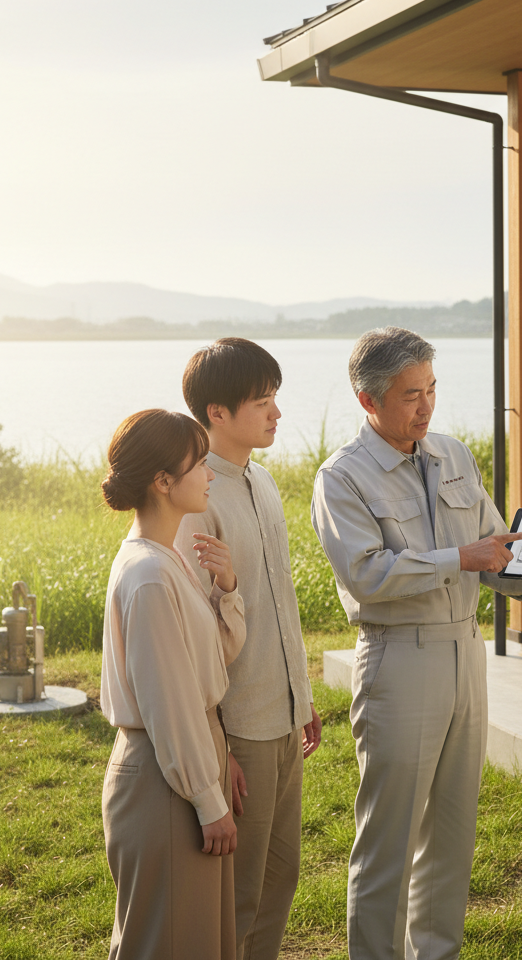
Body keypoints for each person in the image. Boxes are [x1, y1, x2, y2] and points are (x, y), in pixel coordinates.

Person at [310, 327, 522, 960]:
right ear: (367, 400)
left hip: (466, 654)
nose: (425, 406)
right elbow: (367, 575)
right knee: (389, 842)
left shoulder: (453, 454)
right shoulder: (341, 478)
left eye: (431, 388)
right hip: (400, 659)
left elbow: (491, 550)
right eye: (409, 395)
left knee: (452, 834)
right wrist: (460, 556)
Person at [175, 339, 321, 960]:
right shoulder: (194, 502)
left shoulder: (261, 482)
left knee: (279, 881)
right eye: (262, 402)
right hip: (242, 729)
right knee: (238, 896)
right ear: (217, 413)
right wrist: (219, 743)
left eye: (275, 399)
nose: (276, 413)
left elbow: (278, 603)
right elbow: (194, 644)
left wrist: (305, 697)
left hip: (285, 715)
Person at [100, 408, 246, 960]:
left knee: (195, 938)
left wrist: (226, 586)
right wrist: (207, 798)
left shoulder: (165, 559)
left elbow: (208, 664)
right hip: (164, 779)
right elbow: (169, 703)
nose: (210, 474)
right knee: (164, 940)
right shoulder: (149, 575)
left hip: (183, 762)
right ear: (163, 481)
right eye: (199, 463)